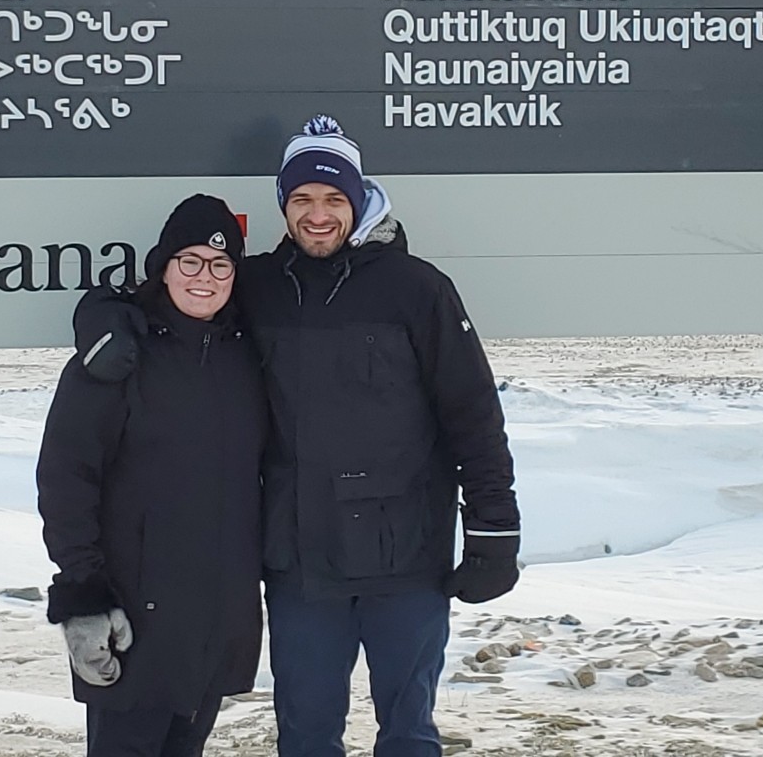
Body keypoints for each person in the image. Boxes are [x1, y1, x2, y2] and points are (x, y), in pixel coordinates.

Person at [79, 116, 521, 757]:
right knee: (307, 736)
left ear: (359, 200)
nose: (318, 214)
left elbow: (474, 415)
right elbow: (172, 304)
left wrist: (493, 531)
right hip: (300, 564)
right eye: (302, 200)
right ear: (284, 205)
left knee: (409, 734)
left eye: (334, 199)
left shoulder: (418, 289)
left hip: (407, 558)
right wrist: (100, 316)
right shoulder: (256, 286)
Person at [37, 194, 267, 757]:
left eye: (220, 265)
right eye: (189, 261)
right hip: (132, 619)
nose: (204, 277)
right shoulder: (117, 355)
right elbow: (67, 477)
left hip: (216, 618)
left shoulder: (248, 356)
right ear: (162, 267)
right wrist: (83, 594)